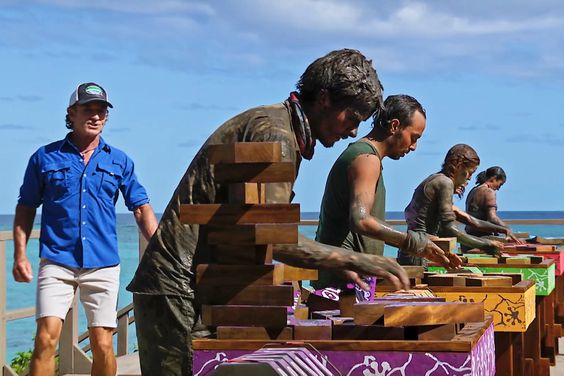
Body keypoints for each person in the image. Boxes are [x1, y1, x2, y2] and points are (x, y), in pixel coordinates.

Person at [127, 49, 411, 375]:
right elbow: (274, 236)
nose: (351, 132)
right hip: (179, 288)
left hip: (200, 287)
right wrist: (355, 259)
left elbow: (254, 227)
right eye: (352, 119)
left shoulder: (282, 129)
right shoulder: (274, 135)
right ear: (324, 99)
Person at [12, 82, 158, 376]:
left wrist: (161, 252)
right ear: (71, 113)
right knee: (45, 338)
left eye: (101, 111)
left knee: (103, 343)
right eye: (88, 110)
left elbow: (141, 208)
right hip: (57, 260)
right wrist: (20, 255)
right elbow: (26, 207)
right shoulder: (45, 157)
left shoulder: (119, 160)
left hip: (103, 264)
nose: (95, 117)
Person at [312, 95, 461, 291]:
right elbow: (361, 220)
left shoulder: (366, 156)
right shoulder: (366, 159)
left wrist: (424, 242)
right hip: (339, 283)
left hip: (347, 278)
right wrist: (415, 243)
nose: (414, 146)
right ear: (394, 126)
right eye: (414, 137)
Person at [399, 144, 504, 266]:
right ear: (459, 166)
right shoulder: (445, 183)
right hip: (419, 253)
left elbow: (440, 228)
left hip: (413, 250)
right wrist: (485, 245)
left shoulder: (435, 178)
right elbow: (449, 229)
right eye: (470, 172)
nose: (469, 178)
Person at [464, 166, 521, 242]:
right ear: (494, 178)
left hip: (468, 238)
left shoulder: (473, 190)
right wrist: (507, 229)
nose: (498, 188)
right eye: (500, 184)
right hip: (482, 239)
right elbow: (492, 218)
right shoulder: (489, 192)